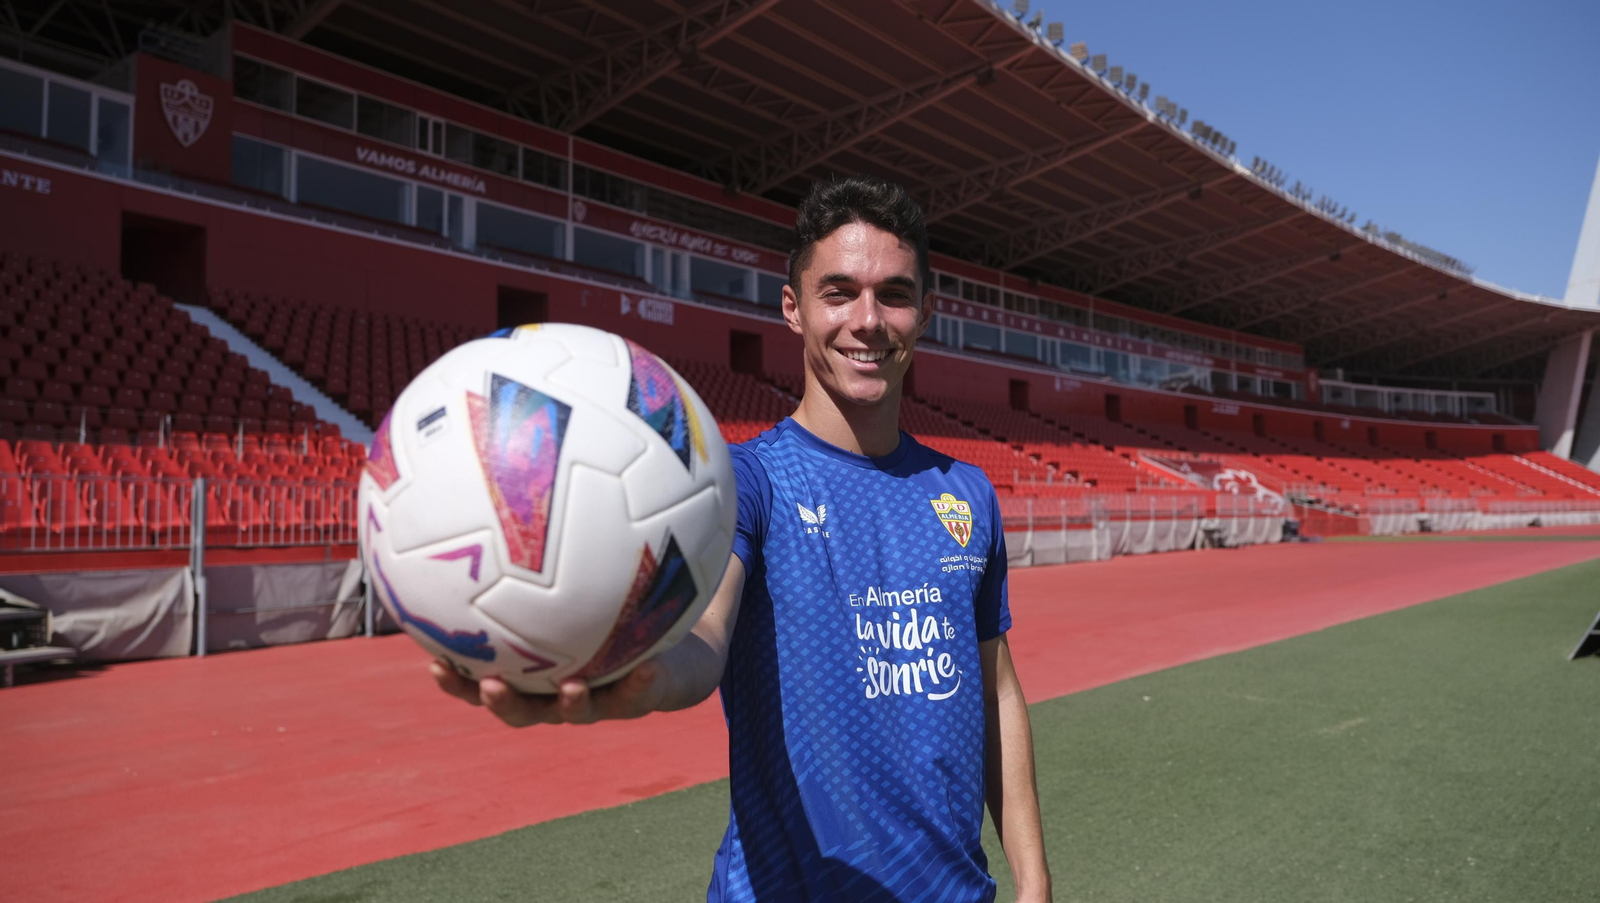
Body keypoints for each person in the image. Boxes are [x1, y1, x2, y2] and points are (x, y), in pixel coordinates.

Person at [433, 175, 1052, 902]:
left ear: (925, 313)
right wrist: (646, 677)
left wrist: (1034, 882)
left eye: (893, 294)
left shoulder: (965, 492)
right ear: (793, 308)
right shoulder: (744, 480)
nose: (867, 319)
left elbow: (996, 692)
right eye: (839, 291)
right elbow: (706, 633)